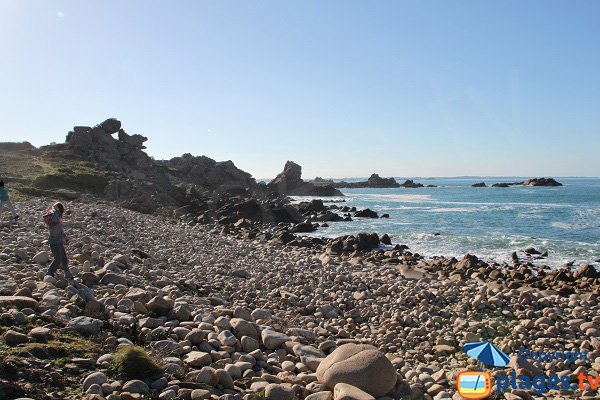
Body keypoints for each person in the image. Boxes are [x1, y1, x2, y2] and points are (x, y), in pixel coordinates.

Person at [45, 202, 73, 279]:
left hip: (59, 240)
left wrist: (64, 236)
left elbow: (60, 228)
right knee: (58, 259)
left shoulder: (59, 217)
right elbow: (52, 223)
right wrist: (56, 211)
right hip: (54, 241)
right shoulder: (55, 215)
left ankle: (67, 273)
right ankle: (49, 272)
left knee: (64, 258)